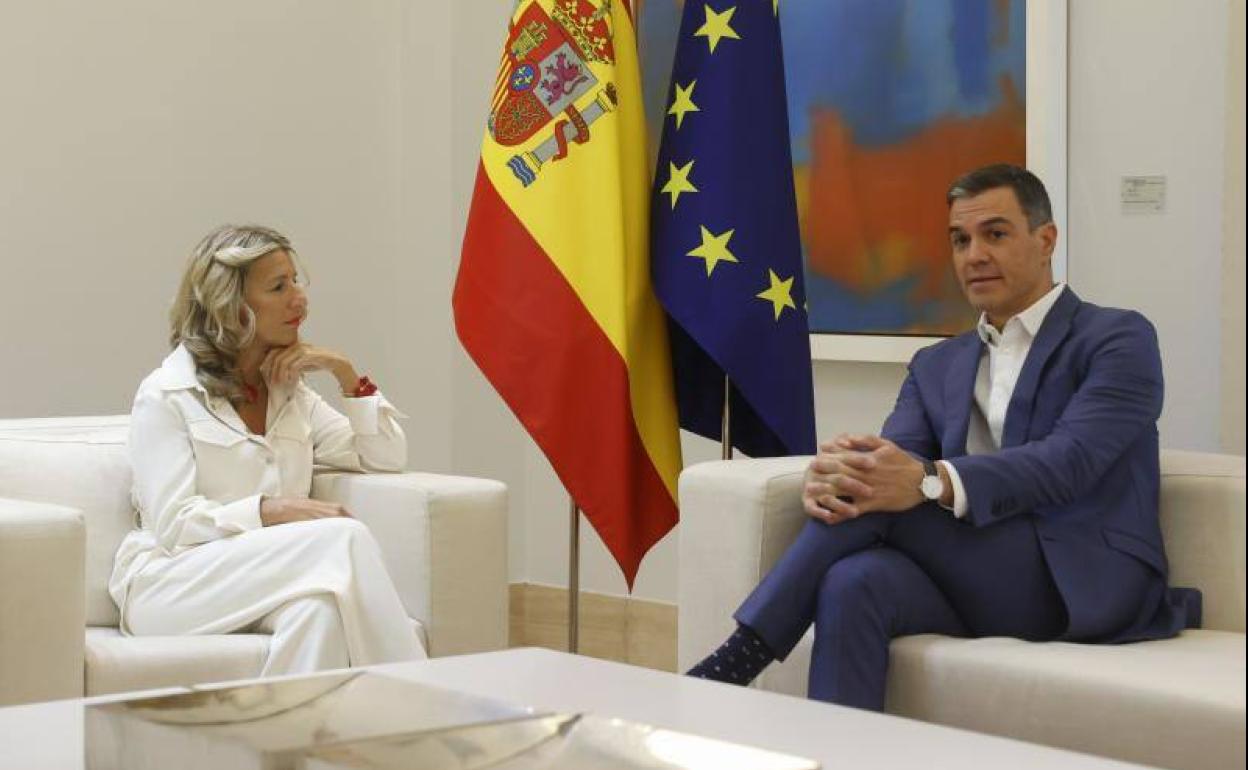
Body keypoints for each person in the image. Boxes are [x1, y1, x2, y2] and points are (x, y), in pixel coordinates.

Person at [687, 164, 1200, 709]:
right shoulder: (935, 364)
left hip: (1077, 576)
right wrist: (837, 475)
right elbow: (895, 462)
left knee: (885, 500)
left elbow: (1067, 462)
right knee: (854, 580)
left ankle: (735, 660)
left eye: (995, 234)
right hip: (974, 575)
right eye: (960, 240)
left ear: (1046, 240)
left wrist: (928, 482)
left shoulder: (1116, 338)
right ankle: (836, 747)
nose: (974, 255)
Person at [108, 224, 426, 675]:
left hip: (265, 578)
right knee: (344, 537)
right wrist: (274, 510)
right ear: (230, 306)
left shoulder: (290, 393)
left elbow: (386, 456)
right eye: (279, 287)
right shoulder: (166, 394)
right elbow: (175, 525)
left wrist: (345, 374)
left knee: (320, 612)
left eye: (296, 281)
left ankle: (285, 724)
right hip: (172, 585)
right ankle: (424, 698)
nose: (300, 298)